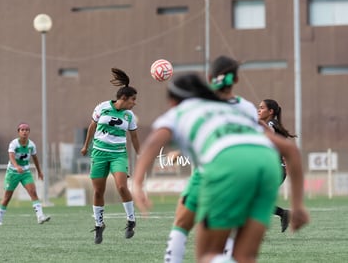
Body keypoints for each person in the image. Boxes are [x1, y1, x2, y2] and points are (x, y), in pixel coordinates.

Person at [132, 73, 309, 263]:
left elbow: (153, 142)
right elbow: (290, 150)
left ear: (173, 101)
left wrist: (136, 182)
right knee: (244, 256)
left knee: (207, 254)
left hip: (226, 166)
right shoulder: (232, 111)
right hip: (267, 166)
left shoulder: (180, 111)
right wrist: (297, 206)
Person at [162, 55, 258, 262]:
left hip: (209, 172)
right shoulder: (248, 108)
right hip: (242, 173)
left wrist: (179, 152)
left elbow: (205, 135)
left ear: (209, 77)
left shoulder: (203, 106)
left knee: (181, 224)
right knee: (226, 230)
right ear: (236, 80)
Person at [81, 67, 140, 244]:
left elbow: (134, 137)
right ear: (123, 98)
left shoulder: (129, 116)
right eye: (133, 99)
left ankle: (131, 220)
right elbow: (92, 126)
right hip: (99, 154)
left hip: (118, 155)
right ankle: (99, 225)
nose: (135, 103)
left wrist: (141, 155)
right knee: (98, 191)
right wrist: (86, 146)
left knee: (122, 187)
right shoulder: (103, 107)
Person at [0, 123, 51, 225]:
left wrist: (39, 171)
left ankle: (40, 216)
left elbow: (35, 158)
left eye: (27, 130)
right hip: (12, 173)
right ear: (18, 132)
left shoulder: (31, 145)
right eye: (22, 130)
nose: (24, 132)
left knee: (33, 192)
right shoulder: (14, 144)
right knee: (7, 197)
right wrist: (16, 166)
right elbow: (11, 156)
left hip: (25, 173)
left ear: (29, 132)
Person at [258, 99, 298, 233]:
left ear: (271, 111)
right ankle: (283, 214)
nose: (259, 110)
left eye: (262, 108)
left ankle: (256, 230)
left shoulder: (270, 124)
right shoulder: (272, 124)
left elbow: (270, 130)